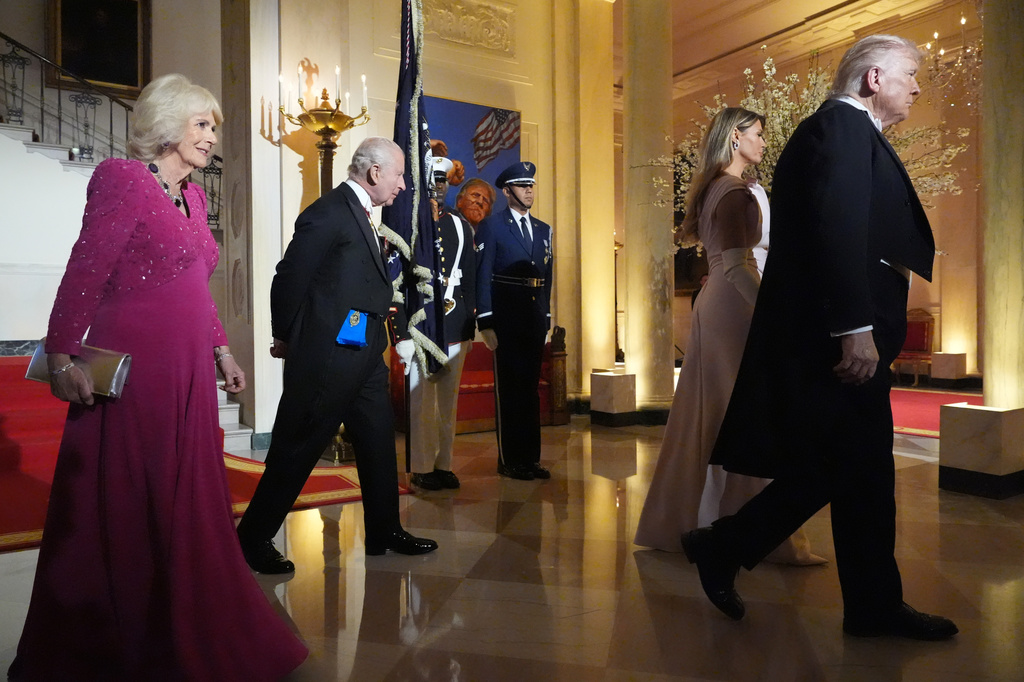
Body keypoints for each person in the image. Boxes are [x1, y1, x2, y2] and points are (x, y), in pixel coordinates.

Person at [8, 74, 307, 681]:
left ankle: (189, 619)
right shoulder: (122, 180)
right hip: (137, 371)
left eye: (213, 127)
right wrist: (62, 355)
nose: (211, 137)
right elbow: (85, 270)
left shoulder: (194, 198)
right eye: (203, 124)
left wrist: (222, 351)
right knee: (128, 502)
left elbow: (197, 287)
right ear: (167, 126)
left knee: (188, 500)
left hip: (188, 368)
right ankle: (119, 637)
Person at [684, 35, 958, 641]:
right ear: (873, 79)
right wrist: (854, 331)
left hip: (845, 335)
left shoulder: (849, 131)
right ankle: (733, 548)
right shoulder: (840, 128)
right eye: (910, 75)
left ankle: (857, 598)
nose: (917, 87)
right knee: (853, 465)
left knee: (853, 468)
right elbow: (839, 232)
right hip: (841, 341)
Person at [236, 136, 438, 575]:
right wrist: (286, 337)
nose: (403, 185)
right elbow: (288, 277)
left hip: (364, 353)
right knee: (300, 445)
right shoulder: (328, 212)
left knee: (377, 442)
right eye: (399, 175)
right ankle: (251, 538)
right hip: (328, 356)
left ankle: (385, 530)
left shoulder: (363, 213)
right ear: (375, 173)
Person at [634, 108, 824, 566]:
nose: (763, 142)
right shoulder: (735, 191)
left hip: (721, 301)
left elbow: (724, 261)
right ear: (736, 138)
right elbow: (739, 266)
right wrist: (774, 315)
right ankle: (755, 535)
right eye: (758, 135)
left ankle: (694, 523)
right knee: (750, 415)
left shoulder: (718, 186)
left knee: (714, 416)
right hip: (737, 305)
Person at [475, 161, 553, 480]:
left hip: (533, 317)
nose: (529, 190)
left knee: (529, 390)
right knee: (510, 391)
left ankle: (530, 459)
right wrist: (486, 322)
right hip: (505, 317)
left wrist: (546, 317)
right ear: (507, 192)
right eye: (522, 186)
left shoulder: (543, 229)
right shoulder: (492, 226)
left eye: (531, 185)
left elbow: (547, 277)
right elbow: (483, 274)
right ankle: (510, 460)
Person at [408, 157, 477, 491]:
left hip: (454, 319)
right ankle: (421, 466)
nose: (438, 185)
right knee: (421, 398)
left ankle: (443, 464)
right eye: (432, 179)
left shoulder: (460, 224)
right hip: (421, 321)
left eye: (443, 180)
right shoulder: (410, 222)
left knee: (448, 401)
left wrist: (472, 318)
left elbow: (472, 275)